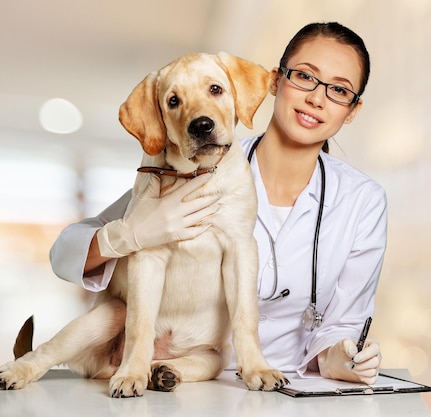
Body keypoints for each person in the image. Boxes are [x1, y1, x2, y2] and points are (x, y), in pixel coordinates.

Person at [49, 22, 387, 385]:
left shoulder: (362, 201)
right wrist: (128, 235)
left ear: (352, 110)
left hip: (287, 387)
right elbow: (64, 252)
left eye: (339, 90)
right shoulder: (191, 166)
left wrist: (347, 358)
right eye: (305, 76)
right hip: (189, 377)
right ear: (274, 82)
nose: (317, 99)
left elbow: (340, 330)